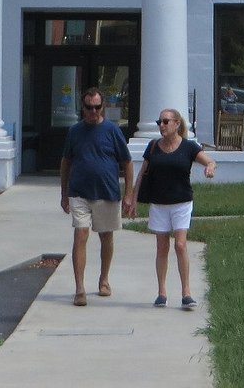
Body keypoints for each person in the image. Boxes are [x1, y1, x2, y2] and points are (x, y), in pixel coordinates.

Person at [130, 106, 216, 310]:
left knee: (180, 245)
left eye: (166, 122)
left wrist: (210, 167)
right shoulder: (153, 147)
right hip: (159, 204)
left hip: (182, 203)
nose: (162, 126)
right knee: (162, 247)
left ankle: (186, 293)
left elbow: (209, 160)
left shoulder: (189, 147)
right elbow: (142, 174)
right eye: (160, 122)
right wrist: (133, 199)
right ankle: (162, 293)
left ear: (177, 124)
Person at [60, 87, 135, 307]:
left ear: (103, 107)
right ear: (82, 108)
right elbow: (66, 162)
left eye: (97, 107)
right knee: (81, 234)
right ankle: (80, 288)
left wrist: (129, 194)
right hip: (79, 192)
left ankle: (104, 279)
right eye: (89, 107)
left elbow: (127, 162)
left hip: (107, 192)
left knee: (106, 237)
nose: (93, 111)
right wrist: (64, 193)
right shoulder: (74, 131)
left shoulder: (112, 130)